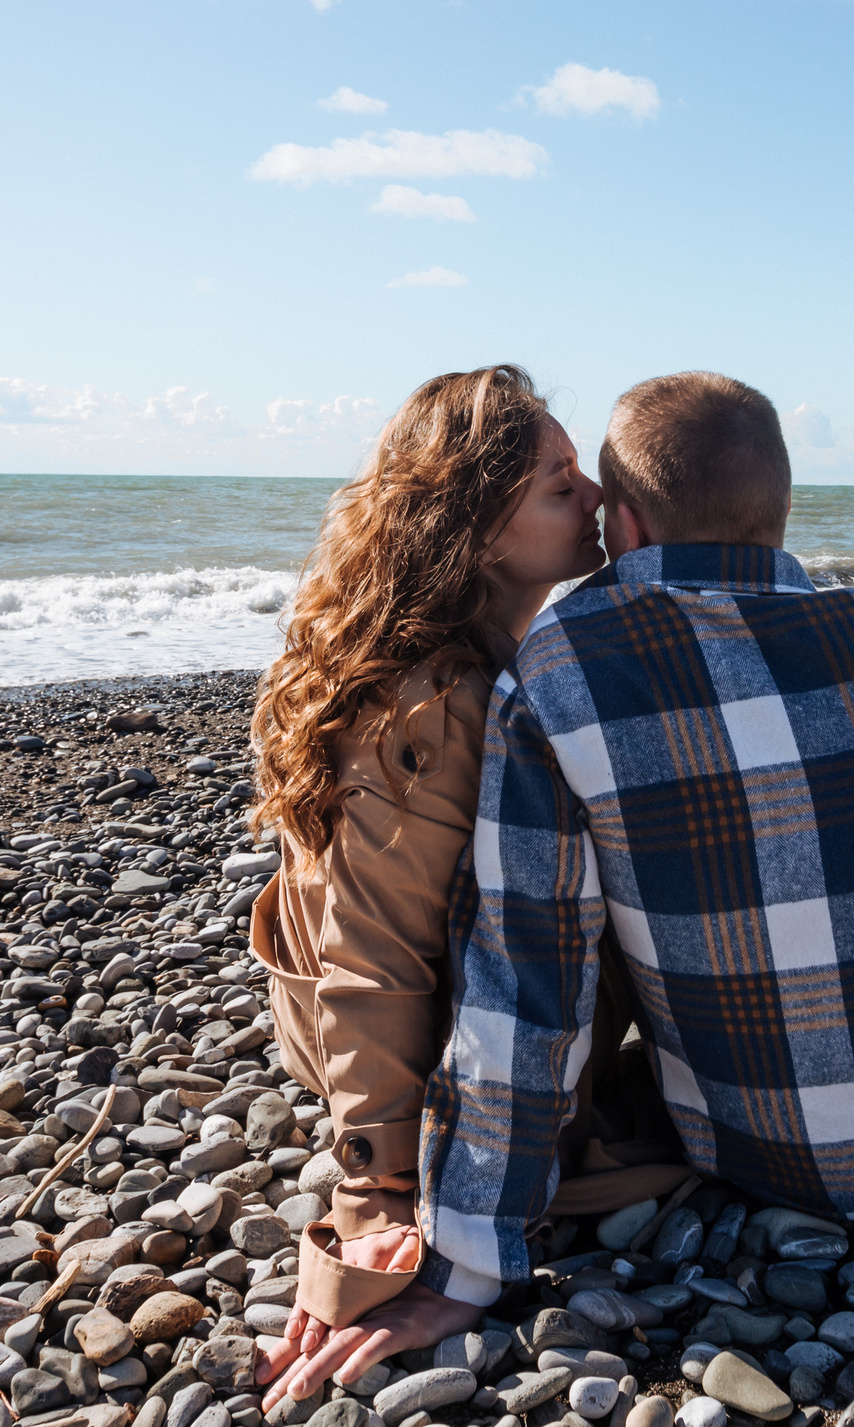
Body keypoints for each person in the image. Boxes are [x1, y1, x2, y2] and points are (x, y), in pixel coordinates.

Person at [407, 371, 854, 1315]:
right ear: (777, 509)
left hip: (758, 1153)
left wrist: (467, 1262)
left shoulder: (557, 673)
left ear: (632, 529)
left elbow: (526, 982)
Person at [244, 365, 689, 1393]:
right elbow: (372, 952)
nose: (592, 495)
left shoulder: (492, 655)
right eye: (558, 482)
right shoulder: (430, 704)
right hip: (398, 1033)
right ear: (482, 532)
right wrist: (381, 1188)